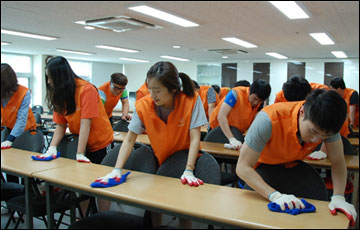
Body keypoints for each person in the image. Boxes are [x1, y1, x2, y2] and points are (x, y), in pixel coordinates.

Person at [95, 62, 208, 228]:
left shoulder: (191, 100)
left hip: (184, 155)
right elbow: (130, 139)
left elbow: (194, 138)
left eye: (158, 90)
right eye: (150, 89)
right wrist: (117, 170)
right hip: (160, 154)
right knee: (155, 199)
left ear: (173, 89)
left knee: (183, 205)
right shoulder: (144, 105)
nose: (153, 95)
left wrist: (189, 169)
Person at [236, 89, 357, 226]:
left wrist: (339, 197)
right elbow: (242, 167)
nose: (316, 140)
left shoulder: (327, 125)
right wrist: (275, 195)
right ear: (302, 112)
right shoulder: (268, 119)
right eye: (313, 132)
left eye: (324, 137)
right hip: (260, 174)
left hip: (293, 168)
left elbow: (338, 162)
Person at [209, 79, 271, 149]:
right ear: (250, 91)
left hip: (236, 131)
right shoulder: (235, 93)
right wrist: (231, 138)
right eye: (255, 99)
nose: (256, 103)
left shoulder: (260, 104)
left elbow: (255, 121)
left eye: (260, 101)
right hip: (218, 128)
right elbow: (221, 116)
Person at [1, 63, 37, 186]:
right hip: (8, 129)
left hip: (28, 133)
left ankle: (28, 193)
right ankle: (14, 194)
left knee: (25, 167)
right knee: (10, 165)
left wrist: (11, 139)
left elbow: (21, 121)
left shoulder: (23, 93)